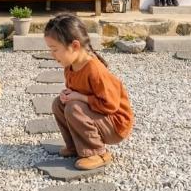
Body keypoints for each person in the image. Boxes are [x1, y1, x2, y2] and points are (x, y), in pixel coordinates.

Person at [43, 12, 133, 170]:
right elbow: (77, 91)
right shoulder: (70, 67)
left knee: (74, 108)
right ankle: (75, 147)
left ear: (75, 46)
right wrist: (67, 94)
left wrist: (80, 98)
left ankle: (98, 153)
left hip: (115, 125)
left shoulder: (95, 70)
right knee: (59, 104)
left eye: (55, 49)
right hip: (99, 116)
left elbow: (110, 105)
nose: (52, 54)